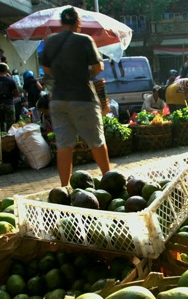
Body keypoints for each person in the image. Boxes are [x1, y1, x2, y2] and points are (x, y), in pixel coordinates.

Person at [41, 6, 112, 186]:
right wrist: (83, 74)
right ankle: (110, 180)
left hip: (58, 99)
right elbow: (98, 67)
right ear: (78, 23)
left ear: (61, 22)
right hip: (82, 97)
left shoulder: (50, 41)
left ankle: (65, 188)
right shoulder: (84, 40)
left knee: (64, 146)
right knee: (96, 141)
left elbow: (47, 69)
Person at [0, 62, 19, 132]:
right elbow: (17, 93)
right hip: (8, 103)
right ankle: (10, 137)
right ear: (6, 70)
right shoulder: (11, 80)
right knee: (11, 124)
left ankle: (0, 138)